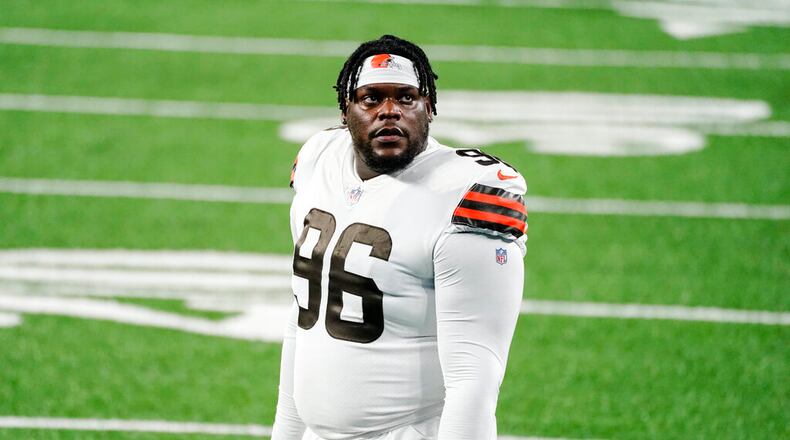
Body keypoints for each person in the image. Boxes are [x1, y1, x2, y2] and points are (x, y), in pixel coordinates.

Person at [272, 35, 527, 440]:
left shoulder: (463, 191)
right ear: (345, 110)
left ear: (430, 107)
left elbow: (474, 375)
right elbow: (304, 316)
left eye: (406, 97)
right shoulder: (319, 159)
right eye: (371, 98)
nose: (389, 111)